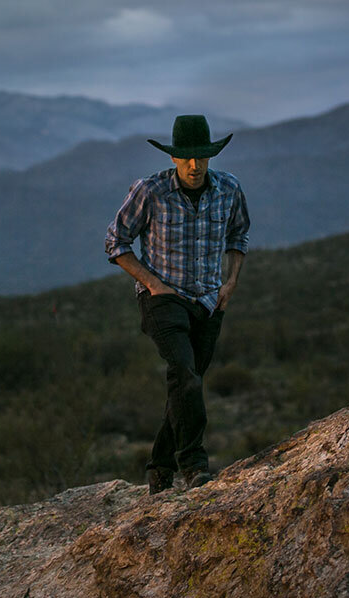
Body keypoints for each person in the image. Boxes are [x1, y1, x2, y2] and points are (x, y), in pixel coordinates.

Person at [104, 114, 250, 494]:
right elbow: (116, 241)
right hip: (163, 298)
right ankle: (195, 465)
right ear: (173, 158)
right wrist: (152, 284)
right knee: (184, 373)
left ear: (210, 156)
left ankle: (159, 468)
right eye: (186, 157)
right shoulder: (149, 191)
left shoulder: (229, 190)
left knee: (188, 385)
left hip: (208, 300)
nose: (194, 165)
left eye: (201, 157)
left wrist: (230, 282)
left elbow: (239, 234)